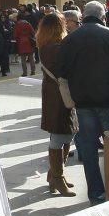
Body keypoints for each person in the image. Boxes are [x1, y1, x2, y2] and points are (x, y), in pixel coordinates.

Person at [56, 0, 109, 205]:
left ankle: (96, 194)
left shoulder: (70, 40)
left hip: (83, 103)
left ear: (83, 17)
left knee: (89, 151)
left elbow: (61, 71)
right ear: (103, 17)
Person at [36, 11, 75, 197]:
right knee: (60, 134)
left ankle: (55, 176)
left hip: (55, 93)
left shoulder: (48, 45)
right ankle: (57, 178)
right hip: (58, 94)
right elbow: (65, 69)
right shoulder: (54, 47)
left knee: (65, 132)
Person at [14, 9, 37, 76]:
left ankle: (25, 72)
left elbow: (15, 35)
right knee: (31, 57)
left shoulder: (17, 24)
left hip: (21, 42)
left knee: (23, 58)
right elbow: (33, 32)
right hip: (29, 41)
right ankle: (33, 71)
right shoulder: (28, 23)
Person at [0, 11, 12, 77]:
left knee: (6, 56)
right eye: (1, 17)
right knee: (2, 56)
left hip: (6, 41)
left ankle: (6, 68)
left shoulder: (8, 24)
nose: (3, 18)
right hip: (0, 42)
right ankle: (3, 69)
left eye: (4, 17)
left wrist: (6, 31)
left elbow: (10, 32)